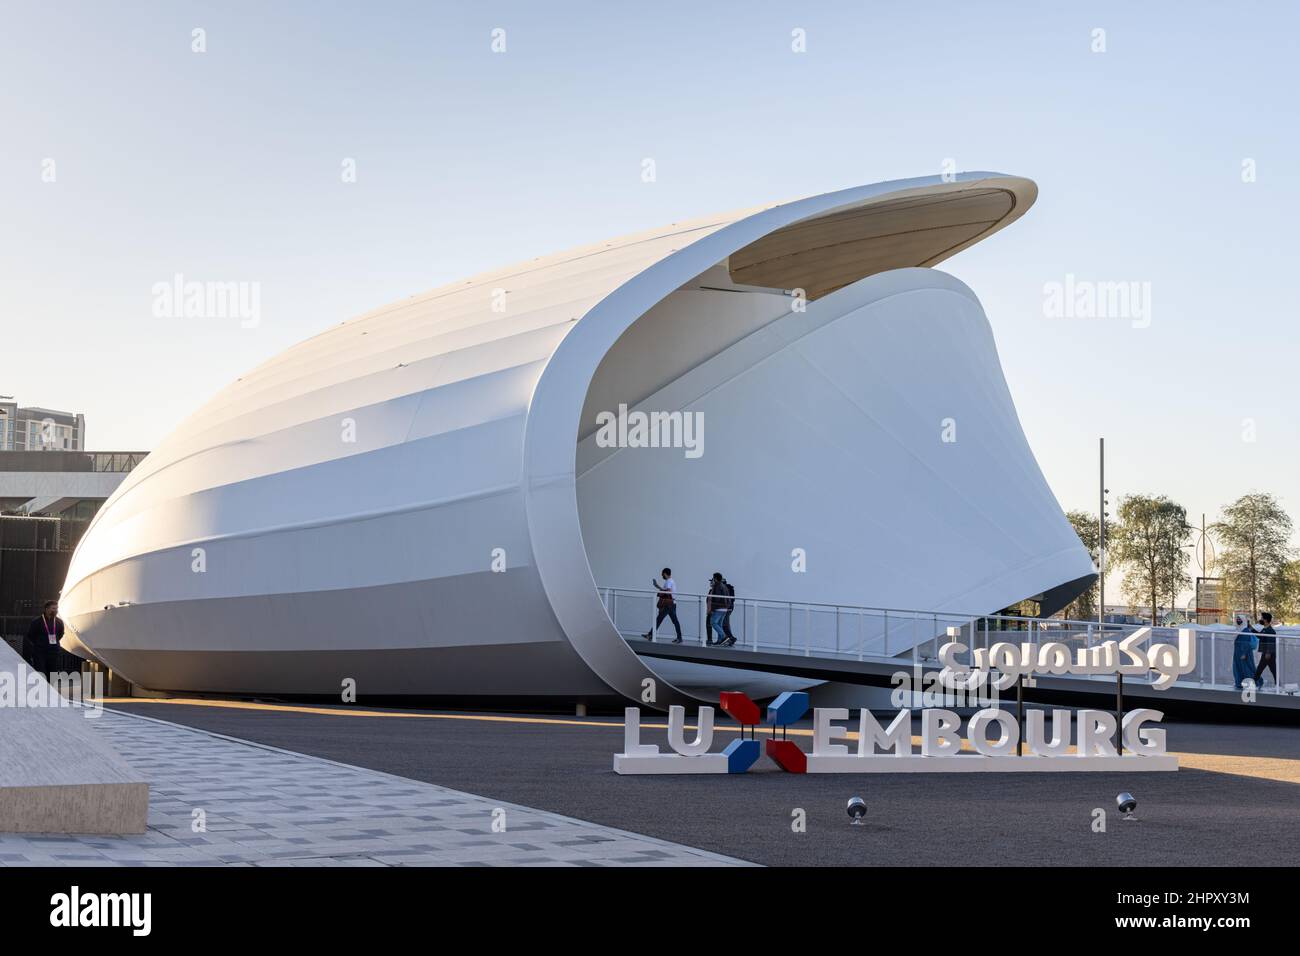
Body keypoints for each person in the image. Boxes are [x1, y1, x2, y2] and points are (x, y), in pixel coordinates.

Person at [24, 600, 65, 678]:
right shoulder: (36, 621)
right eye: (53, 608)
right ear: (46, 609)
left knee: (53, 674)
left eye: (56, 608)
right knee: (41, 673)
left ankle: (52, 689)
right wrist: (39, 644)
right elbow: (30, 635)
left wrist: (54, 642)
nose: (55, 610)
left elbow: (60, 634)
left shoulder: (59, 622)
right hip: (40, 652)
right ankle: (42, 689)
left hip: (54, 652)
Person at [642, 568, 682, 643]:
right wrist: (657, 586)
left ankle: (650, 635)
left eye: (662, 574)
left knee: (660, 619)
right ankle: (679, 638)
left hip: (669, 604)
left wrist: (658, 587)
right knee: (673, 621)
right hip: (671, 604)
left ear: (665, 574)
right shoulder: (669, 581)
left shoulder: (669, 581)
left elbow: (668, 591)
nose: (662, 576)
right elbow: (665, 590)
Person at [1232, 615, 1257, 690]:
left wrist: (1244, 654)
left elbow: (1246, 643)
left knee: (1247, 668)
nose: (1238, 620)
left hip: (1244, 654)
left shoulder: (1245, 630)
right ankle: (1239, 683)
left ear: (1243, 620)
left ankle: (1253, 682)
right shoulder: (1238, 629)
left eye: (1240, 619)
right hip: (1237, 652)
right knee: (1237, 668)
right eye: (1237, 619)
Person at [1253, 612, 1278, 688]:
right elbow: (1260, 636)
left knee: (1260, 669)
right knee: (1273, 670)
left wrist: (1268, 653)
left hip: (1268, 654)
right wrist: (1251, 629)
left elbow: (1271, 642)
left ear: (1266, 620)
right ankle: (1278, 684)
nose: (1261, 619)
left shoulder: (1270, 631)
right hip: (1267, 653)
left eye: (1262, 618)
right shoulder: (1265, 629)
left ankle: (1253, 683)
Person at [706, 573, 729, 645]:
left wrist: (712, 609)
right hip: (725, 608)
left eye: (713, 578)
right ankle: (720, 641)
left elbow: (716, 598)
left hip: (719, 607)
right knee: (719, 624)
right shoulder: (724, 586)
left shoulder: (717, 586)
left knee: (713, 622)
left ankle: (724, 636)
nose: (713, 580)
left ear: (715, 578)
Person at [719, 575, 737, 647]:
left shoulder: (724, 589)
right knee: (725, 623)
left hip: (726, 608)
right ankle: (728, 640)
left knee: (724, 624)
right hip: (729, 608)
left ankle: (731, 638)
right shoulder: (730, 588)